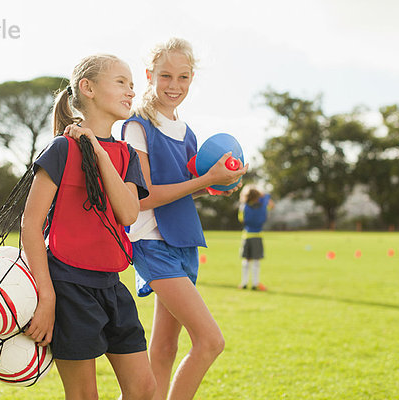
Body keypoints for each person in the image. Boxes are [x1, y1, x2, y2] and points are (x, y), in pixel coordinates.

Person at [21, 54, 156, 400]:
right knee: (84, 395)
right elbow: (30, 224)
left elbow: (128, 213)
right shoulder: (61, 149)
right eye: (121, 82)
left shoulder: (126, 154)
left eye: (132, 84)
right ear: (88, 88)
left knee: (143, 388)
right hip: (68, 286)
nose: (131, 90)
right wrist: (47, 296)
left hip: (113, 285)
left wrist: (97, 150)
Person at [120, 38, 248, 400]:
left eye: (183, 77)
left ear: (192, 79)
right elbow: (142, 199)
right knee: (210, 341)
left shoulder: (187, 132)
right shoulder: (136, 127)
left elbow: (183, 189)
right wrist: (207, 180)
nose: (174, 86)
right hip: (152, 244)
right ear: (149, 75)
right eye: (165, 76)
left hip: (184, 243)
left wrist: (219, 183)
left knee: (164, 350)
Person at [237, 186, 273, 291]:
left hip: (246, 236)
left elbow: (241, 219)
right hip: (258, 236)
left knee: (246, 261)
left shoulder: (244, 207)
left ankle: (244, 283)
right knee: (256, 262)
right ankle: (255, 283)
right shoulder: (263, 207)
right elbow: (269, 201)